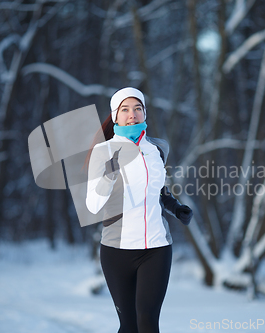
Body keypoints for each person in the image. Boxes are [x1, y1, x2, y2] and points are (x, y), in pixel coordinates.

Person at [86, 87, 193, 333]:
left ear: (145, 113)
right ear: (115, 116)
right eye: (125, 109)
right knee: (129, 325)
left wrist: (175, 207)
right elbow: (93, 205)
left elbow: (157, 190)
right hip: (116, 251)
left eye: (138, 108)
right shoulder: (103, 151)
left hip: (156, 249)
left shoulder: (157, 149)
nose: (132, 114)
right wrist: (109, 173)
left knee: (147, 322)